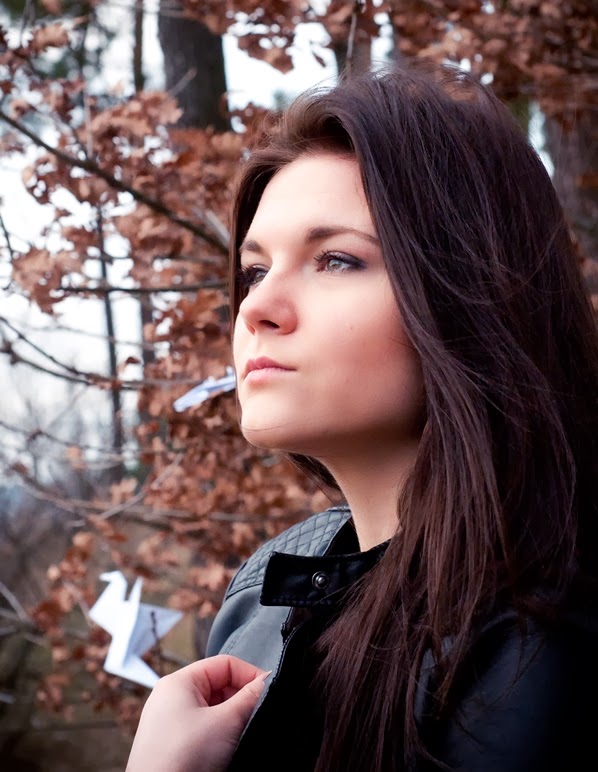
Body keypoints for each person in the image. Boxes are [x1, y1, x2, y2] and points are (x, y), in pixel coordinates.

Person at [127, 63, 598, 772]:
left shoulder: (542, 646)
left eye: (337, 261)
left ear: (472, 293)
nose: (257, 308)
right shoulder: (260, 601)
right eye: (255, 270)